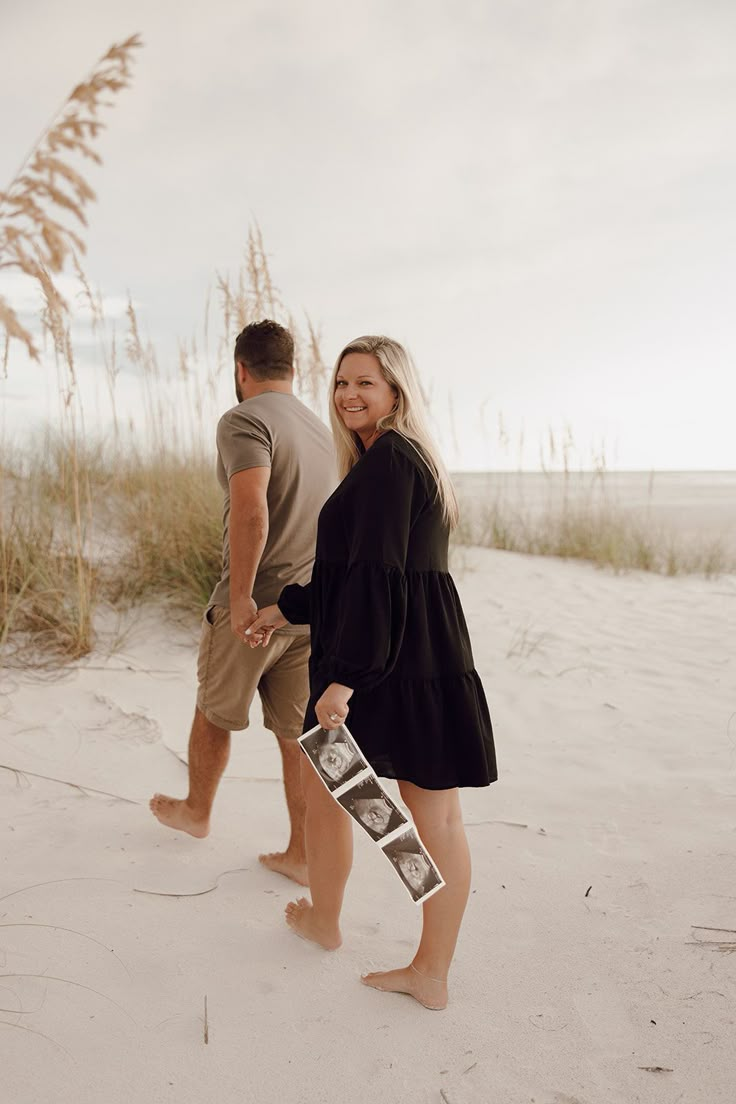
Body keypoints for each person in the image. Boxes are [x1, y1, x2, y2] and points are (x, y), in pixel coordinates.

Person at [246, 334, 496, 1010]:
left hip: (395, 662)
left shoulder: (390, 461)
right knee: (333, 786)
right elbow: (352, 573)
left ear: (396, 392)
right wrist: (284, 606)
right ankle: (327, 919)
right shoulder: (389, 460)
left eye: (367, 383)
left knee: (430, 817)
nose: (350, 394)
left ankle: (431, 970)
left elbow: (381, 577)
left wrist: (344, 680)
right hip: (396, 650)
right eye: (341, 382)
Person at [150, 320, 335, 887]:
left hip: (257, 609)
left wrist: (239, 599)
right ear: (293, 369)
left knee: (214, 712)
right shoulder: (323, 430)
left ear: (240, 369)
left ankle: (197, 812)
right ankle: (302, 854)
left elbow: (252, 510)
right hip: (309, 610)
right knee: (298, 736)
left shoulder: (244, 418)